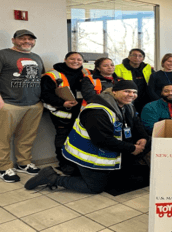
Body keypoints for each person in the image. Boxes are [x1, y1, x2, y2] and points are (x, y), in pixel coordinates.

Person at [25, 81, 151, 194]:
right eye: (127, 91)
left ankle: (115, 170)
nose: (131, 95)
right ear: (114, 92)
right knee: (95, 188)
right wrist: (131, 148)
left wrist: (143, 137)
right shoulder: (97, 111)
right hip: (89, 154)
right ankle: (53, 178)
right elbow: (102, 140)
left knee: (150, 141)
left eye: (134, 92)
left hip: (108, 150)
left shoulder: (127, 106)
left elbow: (136, 122)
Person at [0, 29, 44, 182]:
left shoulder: (36, 57)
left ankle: (23, 163)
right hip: (9, 103)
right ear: (13, 40)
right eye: (22, 39)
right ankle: (3, 167)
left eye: (30, 39)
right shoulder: (3, 54)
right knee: (2, 138)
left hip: (34, 104)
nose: (27, 41)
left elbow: (40, 78)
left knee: (27, 136)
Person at [41, 51, 91, 176]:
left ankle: (78, 163)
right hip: (62, 113)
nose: (76, 61)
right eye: (72, 59)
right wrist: (62, 103)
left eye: (79, 59)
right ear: (65, 59)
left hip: (82, 112)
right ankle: (64, 164)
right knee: (63, 138)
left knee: (80, 137)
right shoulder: (52, 75)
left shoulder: (86, 73)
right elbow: (45, 94)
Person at [114, 48, 154, 114]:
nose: (137, 57)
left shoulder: (148, 68)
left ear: (143, 58)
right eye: (134, 55)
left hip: (144, 98)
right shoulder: (118, 68)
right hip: (127, 98)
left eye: (140, 56)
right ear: (129, 57)